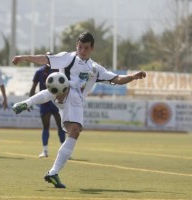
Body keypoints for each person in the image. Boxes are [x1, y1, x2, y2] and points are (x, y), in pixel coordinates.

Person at [12, 32, 146, 188]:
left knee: (74, 131)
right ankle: (26, 103)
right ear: (76, 45)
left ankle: (53, 173)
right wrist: (23, 57)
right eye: (80, 47)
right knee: (60, 82)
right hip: (64, 93)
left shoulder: (95, 69)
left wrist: (133, 76)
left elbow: (117, 79)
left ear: (92, 49)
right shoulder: (68, 57)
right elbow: (45, 59)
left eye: (86, 48)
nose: (82, 51)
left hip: (76, 104)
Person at [29, 54, 66, 158]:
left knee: (61, 126)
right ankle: (45, 151)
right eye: (47, 58)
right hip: (44, 103)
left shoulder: (58, 71)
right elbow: (33, 87)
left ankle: (64, 152)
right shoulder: (39, 72)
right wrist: (29, 102)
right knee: (46, 126)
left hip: (56, 102)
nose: (48, 61)